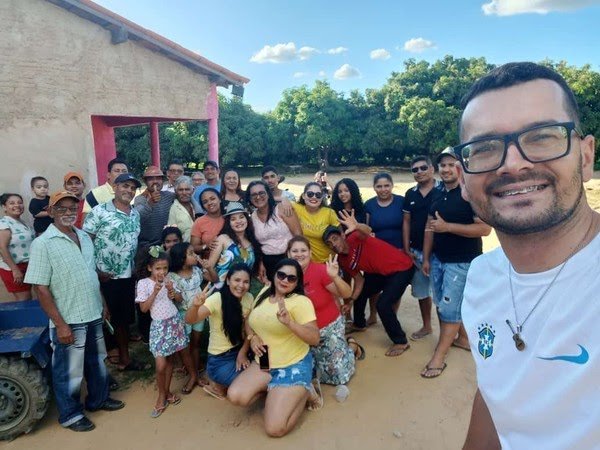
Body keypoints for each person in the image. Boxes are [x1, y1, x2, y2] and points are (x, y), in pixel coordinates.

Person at [456, 63, 599, 450]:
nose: (513, 164)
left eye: (541, 137)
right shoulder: (481, 276)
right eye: (484, 148)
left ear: (586, 156)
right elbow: (497, 391)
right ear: (463, 180)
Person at [24, 191, 124, 432]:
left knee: (96, 361)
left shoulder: (84, 237)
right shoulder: (42, 244)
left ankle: (98, 399)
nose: (68, 212)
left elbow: (91, 274)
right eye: (62, 208)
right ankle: (70, 415)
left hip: (92, 311)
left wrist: (103, 304)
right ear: (51, 211)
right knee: (69, 371)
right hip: (68, 318)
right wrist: (60, 325)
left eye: (72, 208)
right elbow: (41, 288)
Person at [227, 259, 321, 438]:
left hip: (292, 365)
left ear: (297, 282)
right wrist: (252, 337)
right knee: (236, 396)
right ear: (274, 274)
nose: (285, 280)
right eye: (281, 275)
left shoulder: (301, 302)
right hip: (265, 362)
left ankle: (305, 390)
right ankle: (277, 392)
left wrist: (290, 323)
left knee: (275, 429)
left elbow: (314, 338)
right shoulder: (265, 292)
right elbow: (249, 321)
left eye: (291, 278)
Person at [421, 149, 491, 378]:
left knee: (449, 308)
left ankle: (439, 357)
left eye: (452, 164)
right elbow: (430, 226)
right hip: (438, 260)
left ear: (460, 167)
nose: (447, 169)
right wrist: (427, 257)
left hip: (461, 262)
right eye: (443, 165)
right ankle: (462, 339)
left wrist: (448, 227)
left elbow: (485, 229)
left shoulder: (470, 194)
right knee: (443, 303)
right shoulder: (437, 192)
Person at [324, 211, 414, 356]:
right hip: (381, 273)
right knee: (359, 294)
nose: (333, 244)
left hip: (401, 268)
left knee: (383, 305)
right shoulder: (342, 260)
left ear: (342, 235)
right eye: (329, 243)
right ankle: (359, 324)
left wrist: (356, 225)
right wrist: (350, 301)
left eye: (335, 239)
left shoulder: (354, 237)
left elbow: (367, 230)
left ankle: (401, 341)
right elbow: (359, 280)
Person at [83, 173, 142, 371]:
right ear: (115, 187)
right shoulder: (99, 212)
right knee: (106, 319)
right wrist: (95, 271)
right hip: (105, 277)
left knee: (123, 319)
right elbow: (85, 242)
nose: (129, 190)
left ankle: (123, 358)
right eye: (125, 186)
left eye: (132, 188)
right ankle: (108, 362)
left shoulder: (135, 214)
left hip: (127, 276)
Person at [287, 236, 361, 385]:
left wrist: (335, 277)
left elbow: (346, 293)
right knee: (310, 374)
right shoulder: (284, 274)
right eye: (295, 251)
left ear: (310, 253)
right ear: (288, 254)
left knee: (338, 376)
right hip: (303, 331)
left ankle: (352, 347)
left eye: (303, 250)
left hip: (328, 326)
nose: (299, 254)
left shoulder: (321, 270)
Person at [185, 263, 254, 399]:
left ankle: (223, 385)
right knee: (249, 386)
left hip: (241, 351)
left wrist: (242, 352)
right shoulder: (217, 299)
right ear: (228, 281)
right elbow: (190, 320)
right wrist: (195, 306)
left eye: (246, 282)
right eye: (237, 280)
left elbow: (249, 330)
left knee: (262, 372)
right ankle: (217, 384)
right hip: (220, 359)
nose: (241, 285)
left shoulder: (249, 298)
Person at [135, 247, 189, 418]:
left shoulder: (169, 279)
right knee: (160, 365)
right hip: (159, 326)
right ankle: (161, 395)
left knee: (170, 360)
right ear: (149, 268)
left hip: (174, 321)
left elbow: (179, 300)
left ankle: (167, 393)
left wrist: (173, 292)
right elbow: (144, 308)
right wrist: (155, 291)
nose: (162, 272)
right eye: (158, 268)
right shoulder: (143, 283)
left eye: (165, 268)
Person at [402, 156, 444, 340]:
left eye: (423, 168)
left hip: (442, 252)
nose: (419, 172)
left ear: (432, 169)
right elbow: (406, 221)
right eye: (415, 170)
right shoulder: (410, 194)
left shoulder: (444, 189)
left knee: (443, 294)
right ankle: (427, 326)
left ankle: (446, 333)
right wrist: (406, 248)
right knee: (421, 292)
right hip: (417, 251)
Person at [168, 242, 216, 393]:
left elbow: (214, 279)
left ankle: (194, 374)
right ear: (181, 259)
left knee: (195, 343)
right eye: (191, 253)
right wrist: (173, 293)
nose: (195, 256)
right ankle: (193, 376)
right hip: (183, 315)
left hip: (199, 312)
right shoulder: (172, 277)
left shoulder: (197, 271)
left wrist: (208, 267)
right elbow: (178, 300)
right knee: (185, 347)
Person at [246, 180, 301, 281]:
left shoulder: (282, 209)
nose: (258, 197)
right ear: (249, 198)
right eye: (253, 195)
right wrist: (260, 263)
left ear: (268, 194)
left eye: (261, 193)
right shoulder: (252, 218)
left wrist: (296, 258)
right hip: (268, 263)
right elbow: (257, 244)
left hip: (288, 258)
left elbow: (298, 235)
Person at [206, 202, 260, 288]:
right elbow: (208, 267)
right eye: (233, 219)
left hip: (241, 289)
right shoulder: (223, 239)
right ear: (229, 223)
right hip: (221, 287)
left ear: (247, 219)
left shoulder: (252, 242)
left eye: (241, 217)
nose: (238, 221)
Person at [292, 182, 339, 263]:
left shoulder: (329, 213)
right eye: (310, 194)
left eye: (318, 195)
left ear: (322, 197)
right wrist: (284, 201)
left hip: (328, 261)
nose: (314, 197)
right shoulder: (297, 208)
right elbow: (282, 201)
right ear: (303, 196)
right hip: (306, 261)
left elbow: (340, 235)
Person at [0, 193, 35, 300]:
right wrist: (15, 270)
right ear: (4, 207)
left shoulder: (23, 222)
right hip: (13, 268)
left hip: (27, 266)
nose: (17, 205)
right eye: (12, 203)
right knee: (24, 300)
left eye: (20, 202)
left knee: (32, 298)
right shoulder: (4, 223)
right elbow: (2, 247)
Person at [134, 166, 176, 248]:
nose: (155, 181)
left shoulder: (169, 196)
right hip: (146, 246)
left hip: (166, 244)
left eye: (158, 178)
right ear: (145, 182)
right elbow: (137, 217)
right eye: (151, 179)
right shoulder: (140, 199)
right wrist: (150, 203)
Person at [365, 172, 405, 249]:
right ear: (374, 187)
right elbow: (367, 229)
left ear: (392, 185)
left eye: (386, 186)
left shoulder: (402, 201)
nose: (383, 190)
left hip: (400, 249)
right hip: (378, 249)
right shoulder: (368, 205)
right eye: (379, 186)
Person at [190, 187, 224, 257]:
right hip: (208, 261)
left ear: (220, 199)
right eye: (205, 202)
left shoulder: (229, 217)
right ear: (203, 206)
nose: (210, 203)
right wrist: (206, 246)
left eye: (212, 199)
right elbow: (193, 248)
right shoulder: (199, 222)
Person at [167, 176, 195, 242]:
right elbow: (171, 234)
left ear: (192, 190)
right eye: (181, 190)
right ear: (175, 191)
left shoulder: (196, 206)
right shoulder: (174, 209)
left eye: (187, 189)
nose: (184, 193)